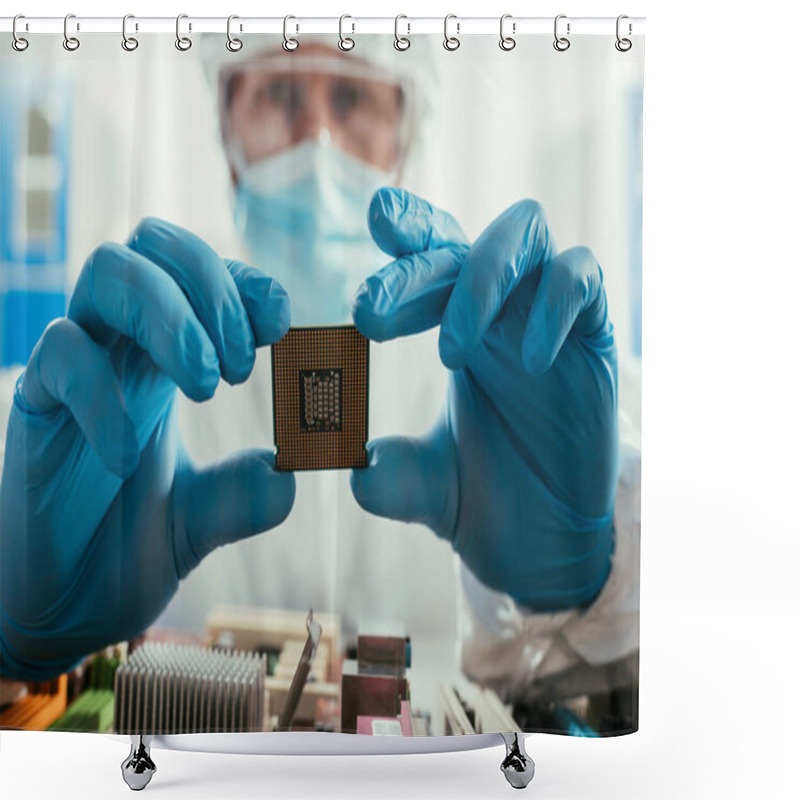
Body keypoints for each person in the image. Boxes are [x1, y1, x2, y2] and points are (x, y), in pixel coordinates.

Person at [0, 38, 639, 723]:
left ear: (408, 124)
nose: (317, 142)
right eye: (277, 94)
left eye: (353, 95)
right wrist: (8, 644)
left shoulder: (530, 375)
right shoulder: (122, 368)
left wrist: (589, 583)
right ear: (224, 121)